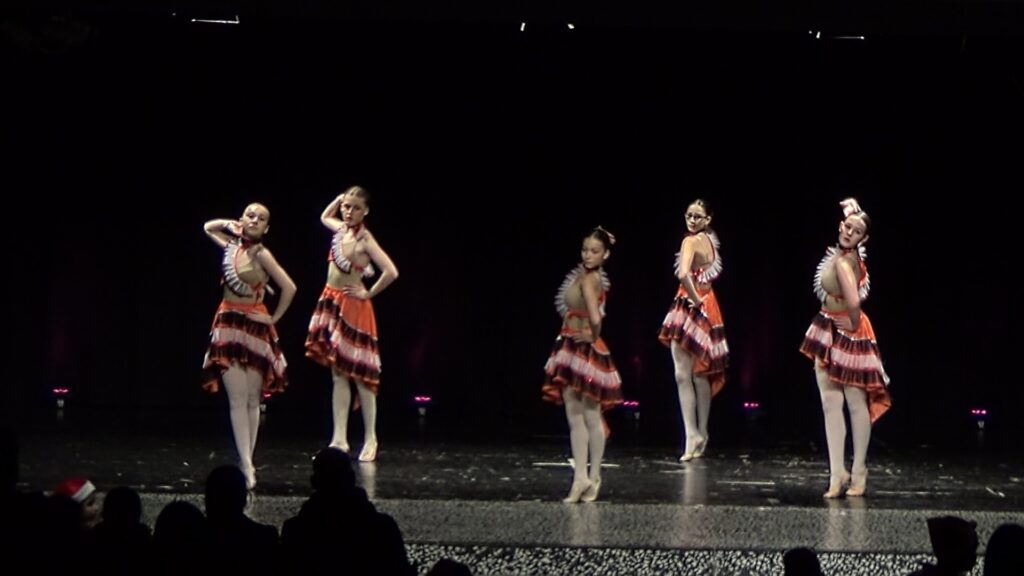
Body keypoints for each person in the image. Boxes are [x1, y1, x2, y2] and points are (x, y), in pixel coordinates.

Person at [799, 198, 891, 498]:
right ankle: (837, 473)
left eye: (857, 231)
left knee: (854, 401)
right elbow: (854, 222)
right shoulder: (847, 251)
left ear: (864, 239)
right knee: (830, 403)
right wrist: (852, 209)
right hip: (827, 326)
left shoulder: (843, 261)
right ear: (841, 226)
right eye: (847, 227)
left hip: (847, 332)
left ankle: (859, 470)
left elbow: (853, 301)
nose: (850, 232)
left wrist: (851, 324)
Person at [202, 203, 296, 490]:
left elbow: (289, 287)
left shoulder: (261, 254)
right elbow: (208, 227)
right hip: (228, 324)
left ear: (267, 228)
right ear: (241, 218)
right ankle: (245, 463)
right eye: (250, 215)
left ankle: (248, 460)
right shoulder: (231, 247)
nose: (255, 220)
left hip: (254, 326)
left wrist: (273, 318)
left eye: (261, 218)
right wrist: (231, 224)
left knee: (253, 399)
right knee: (237, 398)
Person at [305, 186, 399, 463]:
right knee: (338, 374)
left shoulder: (365, 239)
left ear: (365, 211)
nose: (349, 212)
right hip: (332, 303)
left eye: (356, 208)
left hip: (354, 308)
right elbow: (324, 217)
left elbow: (391, 271)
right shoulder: (339, 231)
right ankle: (339, 438)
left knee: (361, 375)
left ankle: (370, 438)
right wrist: (338, 199)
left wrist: (368, 293)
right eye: (346, 206)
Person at [542, 226, 623, 503]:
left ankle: (593, 476)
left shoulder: (590, 280)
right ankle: (581, 478)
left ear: (605, 254)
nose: (588, 255)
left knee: (589, 414)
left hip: (584, 349)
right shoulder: (584, 276)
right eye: (585, 250)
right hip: (570, 345)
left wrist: (593, 335)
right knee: (576, 415)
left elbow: (596, 315)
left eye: (594, 251)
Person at [657, 199, 729, 462]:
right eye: (689, 215)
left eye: (698, 216)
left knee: (684, 374)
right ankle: (700, 433)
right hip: (709, 303)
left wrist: (696, 300)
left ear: (708, 219)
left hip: (692, 304)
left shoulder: (690, 241)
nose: (692, 220)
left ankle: (692, 435)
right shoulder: (709, 241)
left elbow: (683, 273)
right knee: (699, 373)